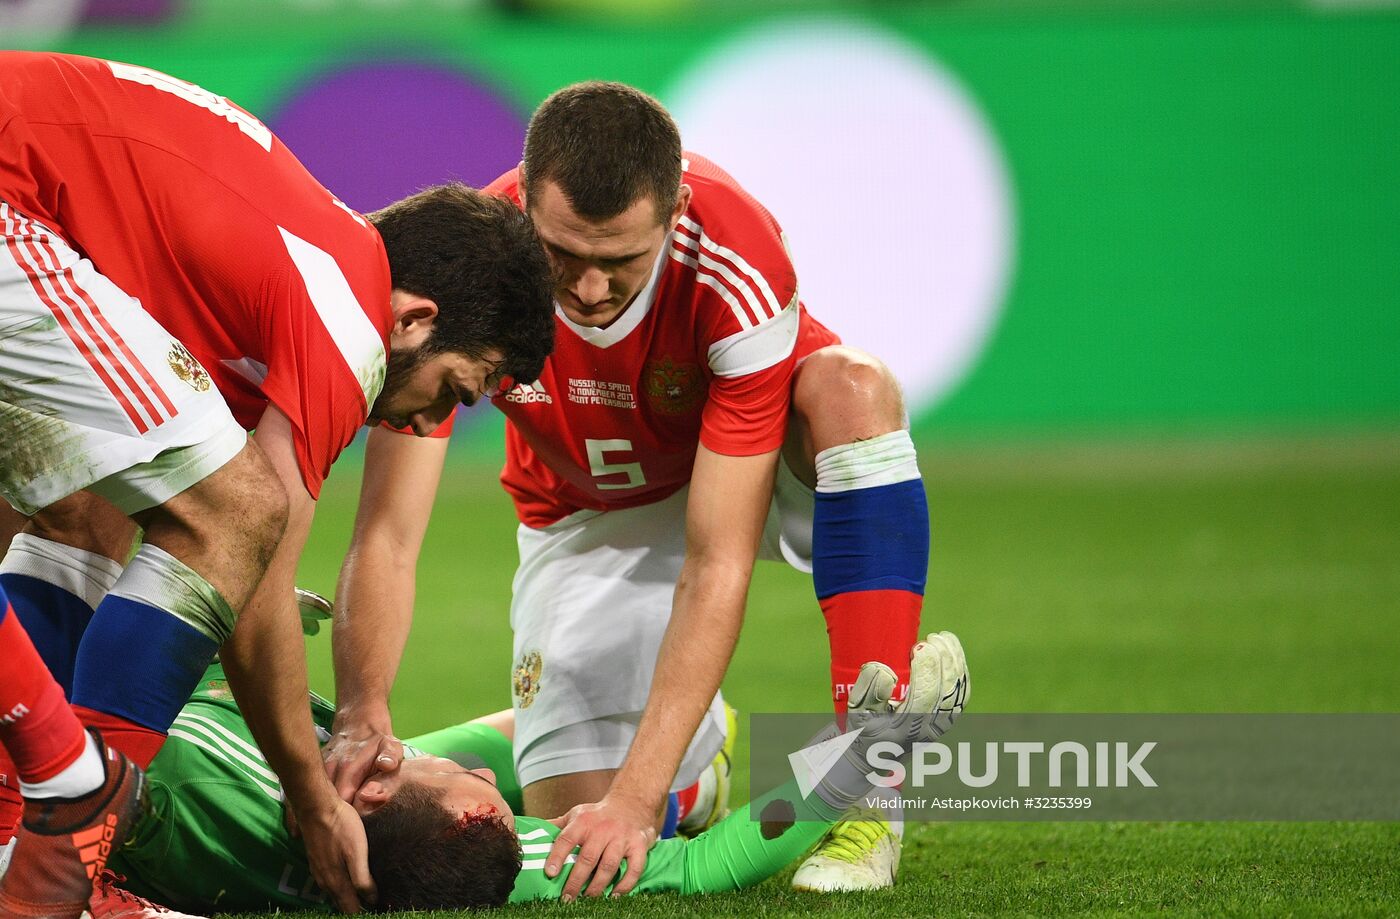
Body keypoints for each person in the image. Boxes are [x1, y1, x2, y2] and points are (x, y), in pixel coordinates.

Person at [329, 80, 940, 898]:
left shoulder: (736, 257)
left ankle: (873, 785)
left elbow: (717, 558)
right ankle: (699, 765)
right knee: (579, 822)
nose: (586, 290)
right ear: (526, 208)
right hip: (589, 511)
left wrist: (638, 795)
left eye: (619, 261)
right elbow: (388, 536)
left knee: (852, 387)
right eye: (562, 255)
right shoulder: (478, 261)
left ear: (677, 208)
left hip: (743, 471)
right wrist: (363, 709)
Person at [0, 51, 554, 912]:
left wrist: (221, 583)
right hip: (12, 205)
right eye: (451, 388)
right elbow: (247, 547)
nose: (419, 424)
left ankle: (21, 830)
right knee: (239, 510)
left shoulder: (277, 271)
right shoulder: (348, 323)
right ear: (414, 319)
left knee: (80, 510)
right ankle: (73, 844)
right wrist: (311, 794)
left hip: (27, 197)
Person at [97, 631, 966, 913]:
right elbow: (715, 863)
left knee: (529, 736)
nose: (431, 753)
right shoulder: (501, 861)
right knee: (548, 739)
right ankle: (701, 766)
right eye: (450, 774)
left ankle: (699, 765)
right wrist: (874, 746)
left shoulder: (221, 782)